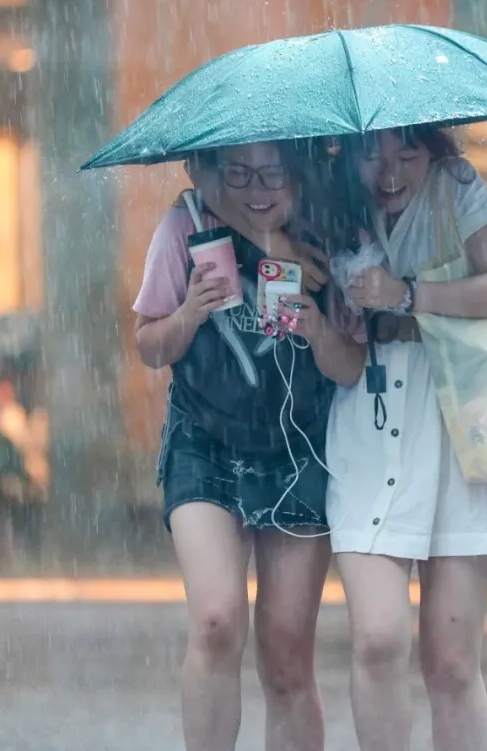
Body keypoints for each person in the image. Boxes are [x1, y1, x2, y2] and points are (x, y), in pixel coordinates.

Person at [133, 140, 366, 751]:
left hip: (298, 451)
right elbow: (149, 345)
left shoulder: (326, 239)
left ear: (300, 172)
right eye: (238, 172)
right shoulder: (185, 228)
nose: (256, 187)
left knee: (287, 652)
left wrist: (315, 325)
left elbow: (348, 369)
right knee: (215, 622)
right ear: (209, 172)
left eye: (271, 173)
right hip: (204, 443)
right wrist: (188, 313)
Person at [322, 126, 487, 751]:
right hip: (368, 420)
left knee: (451, 662)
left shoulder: (457, 189)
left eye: (406, 153)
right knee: (379, 640)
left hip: (457, 421)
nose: (388, 171)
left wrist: (406, 295)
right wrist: (341, 312)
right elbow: (335, 344)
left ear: (433, 152)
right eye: (370, 154)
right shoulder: (330, 208)